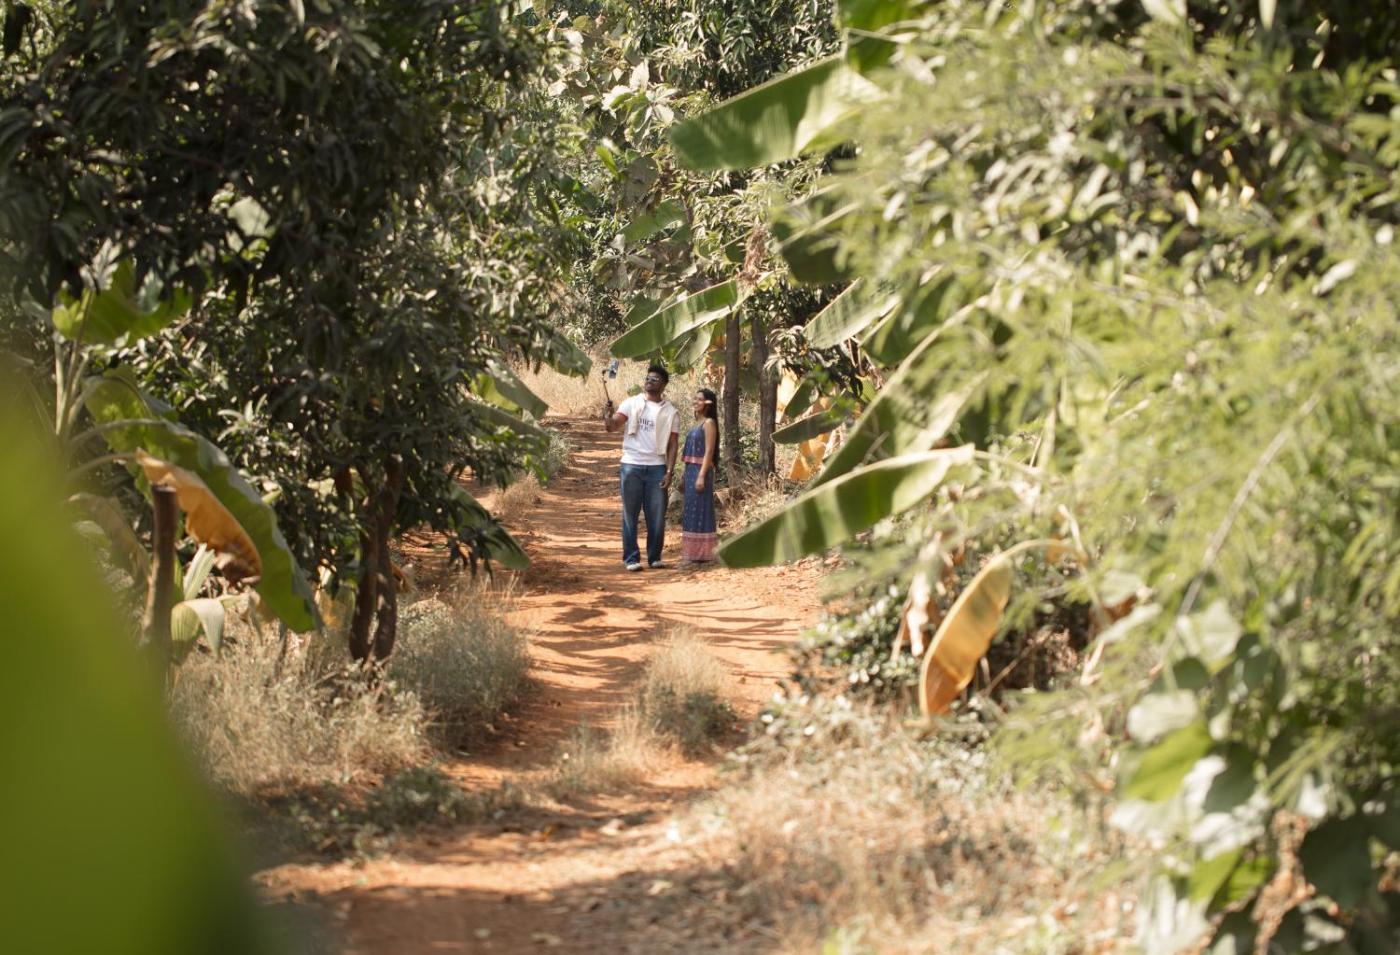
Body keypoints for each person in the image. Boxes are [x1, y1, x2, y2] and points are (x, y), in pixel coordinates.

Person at [602, 363, 679, 570]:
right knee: (630, 514)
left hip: (657, 467)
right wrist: (608, 415)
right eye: (648, 378)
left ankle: (654, 557)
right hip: (631, 465)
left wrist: (669, 471)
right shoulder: (631, 403)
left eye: (655, 379)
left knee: (657, 516)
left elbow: (673, 444)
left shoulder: (671, 412)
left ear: (663, 385)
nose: (649, 381)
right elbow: (612, 426)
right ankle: (631, 559)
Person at [680, 387, 720, 564]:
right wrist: (684, 473)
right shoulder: (697, 422)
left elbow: (709, 451)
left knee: (701, 509)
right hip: (690, 471)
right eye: (695, 399)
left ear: (708, 403)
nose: (695, 402)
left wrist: (701, 475)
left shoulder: (709, 423)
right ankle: (691, 553)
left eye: (700, 399)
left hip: (700, 471)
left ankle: (703, 553)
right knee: (690, 510)